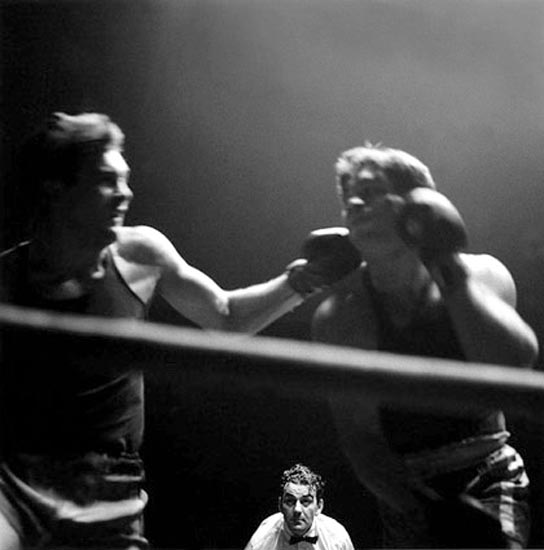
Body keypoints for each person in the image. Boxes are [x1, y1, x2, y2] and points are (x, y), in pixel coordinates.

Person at [0, 112, 361, 550]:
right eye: (106, 180)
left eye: (126, 179)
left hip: (107, 487)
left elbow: (225, 316)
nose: (125, 193)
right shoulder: (6, 283)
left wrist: (303, 280)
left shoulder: (140, 255)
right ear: (56, 187)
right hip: (16, 482)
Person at [310, 144, 539, 548]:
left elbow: (515, 365)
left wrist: (445, 267)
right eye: (349, 199)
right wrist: (425, 511)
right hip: (403, 487)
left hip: (486, 466)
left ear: (416, 204)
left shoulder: (482, 275)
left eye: (371, 191)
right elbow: (361, 441)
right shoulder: (341, 316)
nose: (355, 204)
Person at [244, 463, 355, 550]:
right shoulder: (261, 540)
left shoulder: (337, 538)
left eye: (305, 501)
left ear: (319, 507)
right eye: (290, 501)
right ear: (280, 505)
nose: (297, 510)